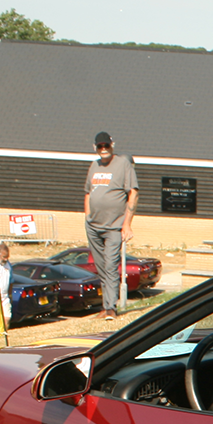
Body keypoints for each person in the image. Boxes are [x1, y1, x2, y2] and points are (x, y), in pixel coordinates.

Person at [84, 130, 138, 321]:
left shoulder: (123, 163)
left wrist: (127, 225)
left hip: (114, 226)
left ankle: (111, 308)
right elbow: (88, 193)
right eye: (100, 146)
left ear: (112, 145)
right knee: (100, 267)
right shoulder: (94, 165)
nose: (104, 149)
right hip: (93, 225)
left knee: (110, 265)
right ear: (95, 148)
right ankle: (105, 306)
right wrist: (88, 215)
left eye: (106, 145)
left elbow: (133, 193)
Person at [0, 241, 13, 327]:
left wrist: (10, 295)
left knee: (7, 317)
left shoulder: (8, 265)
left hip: (5, 297)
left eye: (7, 257)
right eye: (4, 257)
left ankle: (4, 334)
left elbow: (11, 281)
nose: (6, 259)